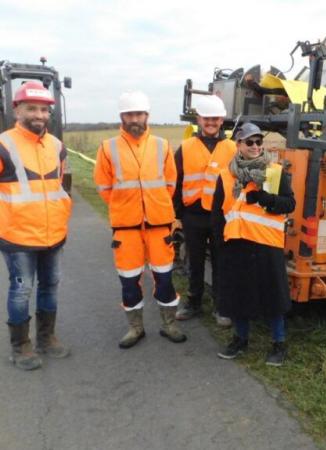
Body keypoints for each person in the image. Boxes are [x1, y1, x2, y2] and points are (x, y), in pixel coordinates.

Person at [93, 91, 186, 349]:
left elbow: (170, 183)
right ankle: (135, 328)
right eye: (129, 114)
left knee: (165, 279)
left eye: (139, 114)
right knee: (129, 281)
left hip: (159, 227)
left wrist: (155, 208)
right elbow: (103, 187)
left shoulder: (161, 145)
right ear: (122, 117)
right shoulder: (108, 147)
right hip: (127, 229)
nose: (135, 118)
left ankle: (169, 324)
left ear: (147, 116)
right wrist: (126, 208)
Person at [0, 81, 72, 370]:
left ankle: (46, 337)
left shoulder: (57, 146)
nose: (39, 115)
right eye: (31, 108)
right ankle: (21, 346)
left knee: (50, 286)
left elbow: (60, 187)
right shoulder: (4, 144)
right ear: (17, 109)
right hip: (17, 238)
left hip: (53, 235)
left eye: (43, 109)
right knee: (21, 290)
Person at [213, 123, 294, 366]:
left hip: (267, 245)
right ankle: (240, 340)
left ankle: (279, 344)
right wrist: (219, 244)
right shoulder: (227, 176)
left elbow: (289, 205)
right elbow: (218, 213)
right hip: (236, 244)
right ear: (238, 145)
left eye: (259, 141)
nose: (256, 146)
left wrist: (264, 198)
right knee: (240, 296)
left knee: (273, 299)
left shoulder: (274, 172)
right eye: (250, 142)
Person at [173, 95, 236, 326]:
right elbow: (175, 181)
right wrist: (178, 213)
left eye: (215, 118)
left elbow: (237, 182)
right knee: (195, 261)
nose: (210, 122)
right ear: (198, 119)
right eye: (206, 118)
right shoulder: (186, 147)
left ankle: (221, 306)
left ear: (222, 120)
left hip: (221, 216)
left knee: (221, 262)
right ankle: (194, 302)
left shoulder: (232, 148)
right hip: (193, 215)